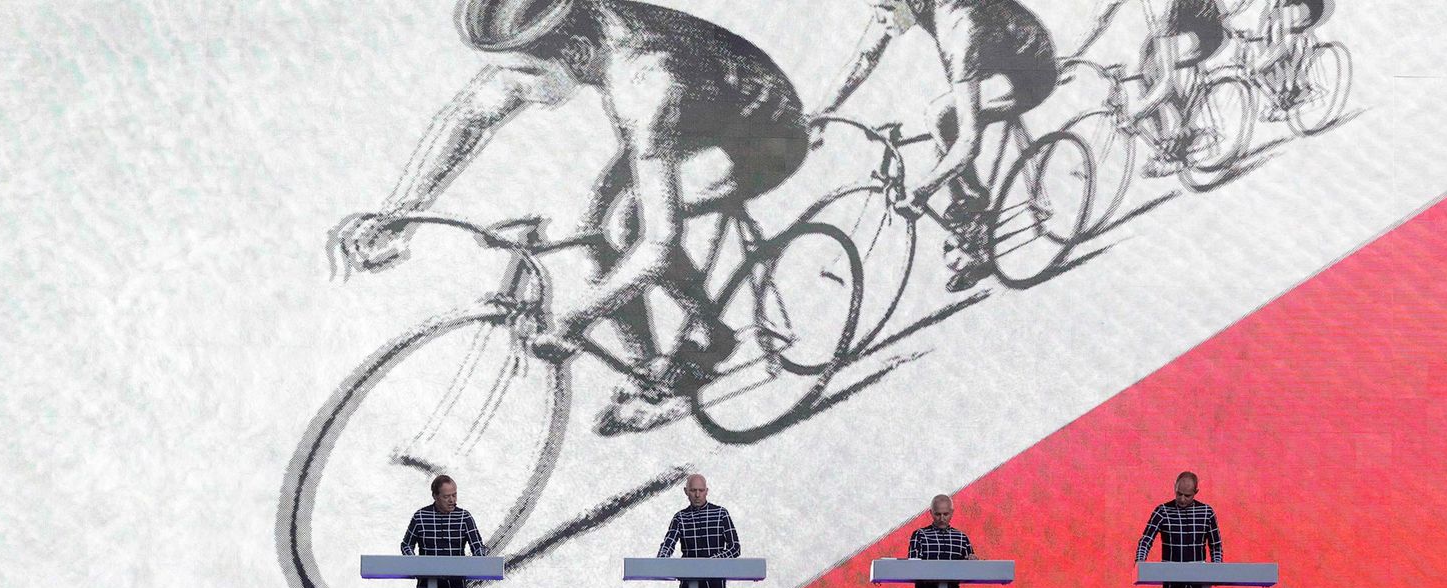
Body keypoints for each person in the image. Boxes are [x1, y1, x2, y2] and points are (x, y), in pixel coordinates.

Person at [337, 0, 810, 430]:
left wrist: (575, 320)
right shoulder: (576, 38)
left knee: (626, 225)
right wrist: (401, 211)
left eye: (525, 72)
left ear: (579, 50)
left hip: (760, 135)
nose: (513, 88)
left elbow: (659, 246)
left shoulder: (646, 79)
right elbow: (470, 117)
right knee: (594, 232)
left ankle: (713, 338)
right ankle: (653, 363)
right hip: (696, 112)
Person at [815, 0, 1060, 292]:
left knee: (942, 119)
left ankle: (977, 202)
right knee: (942, 131)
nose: (880, 19)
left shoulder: (958, 27)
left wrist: (921, 193)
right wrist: (820, 115)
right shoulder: (905, 6)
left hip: (1030, 74)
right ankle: (971, 212)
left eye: (887, 9)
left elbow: (969, 142)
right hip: (995, 48)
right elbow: (864, 57)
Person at [1073, 0, 1229, 175]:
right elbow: (1099, 20)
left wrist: (1136, 115)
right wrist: (1073, 56)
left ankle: (1183, 135)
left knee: (1154, 73)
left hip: (1205, 36)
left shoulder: (1160, 6)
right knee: (1147, 71)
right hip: (1178, 23)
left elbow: (1167, 83)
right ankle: (1170, 143)